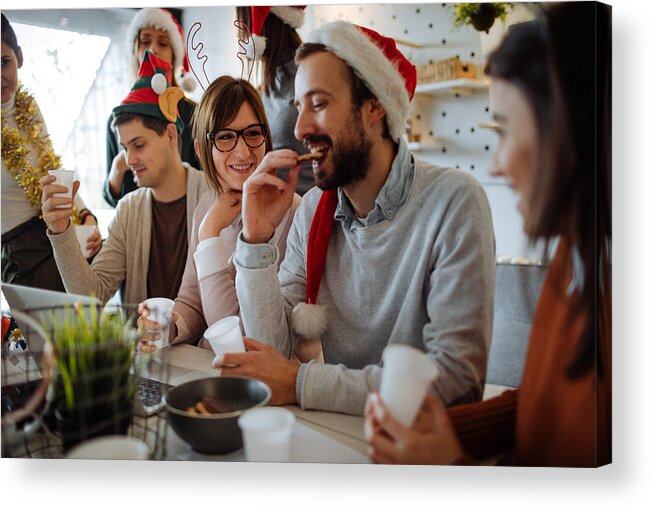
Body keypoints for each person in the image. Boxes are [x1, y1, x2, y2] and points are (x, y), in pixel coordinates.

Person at [364, 2, 611, 467]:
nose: (495, 164)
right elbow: (547, 395)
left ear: (572, 129)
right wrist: (451, 431)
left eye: (506, 129)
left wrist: (453, 468)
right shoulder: (576, 260)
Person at [213, 21, 496, 413]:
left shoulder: (455, 202)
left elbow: (453, 381)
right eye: (299, 107)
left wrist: (302, 383)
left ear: (375, 105)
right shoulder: (312, 209)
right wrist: (257, 240)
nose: (299, 128)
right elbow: (271, 350)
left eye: (319, 103)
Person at [40, 51, 209, 307]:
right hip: (144, 347)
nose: (128, 160)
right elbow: (90, 296)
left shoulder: (211, 193)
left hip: (205, 346)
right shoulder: (128, 210)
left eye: (138, 145)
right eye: (125, 148)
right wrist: (62, 231)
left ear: (171, 135)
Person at [148, 75, 301, 348]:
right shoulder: (208, 207)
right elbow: (193, 300)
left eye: (253, 133)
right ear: (200, 148)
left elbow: (237, 339)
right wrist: (167, 327)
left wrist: (209, 234)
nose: (242, 153)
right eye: (225, 137)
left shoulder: (292, 213)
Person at [1, 13, 100, 292]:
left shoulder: (29, 109)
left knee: (86, 328)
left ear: (19, 56)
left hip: (56, 234)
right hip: (20, 254)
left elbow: (51, 168)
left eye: (3, 62)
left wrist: (84, 213)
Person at [104, 7, 199, 208]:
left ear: (174, 55)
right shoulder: (118, 119)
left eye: (163, 43)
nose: (153, 49)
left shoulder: (196, 115)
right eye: (145, 42)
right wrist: (118, 168)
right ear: (135, 52)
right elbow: (113, 199)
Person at [236, 5, 313, 195]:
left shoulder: (308, 78)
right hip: (275, 210)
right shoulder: (264, 90)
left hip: (306, 208)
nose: (240, 36)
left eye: (241, 25)